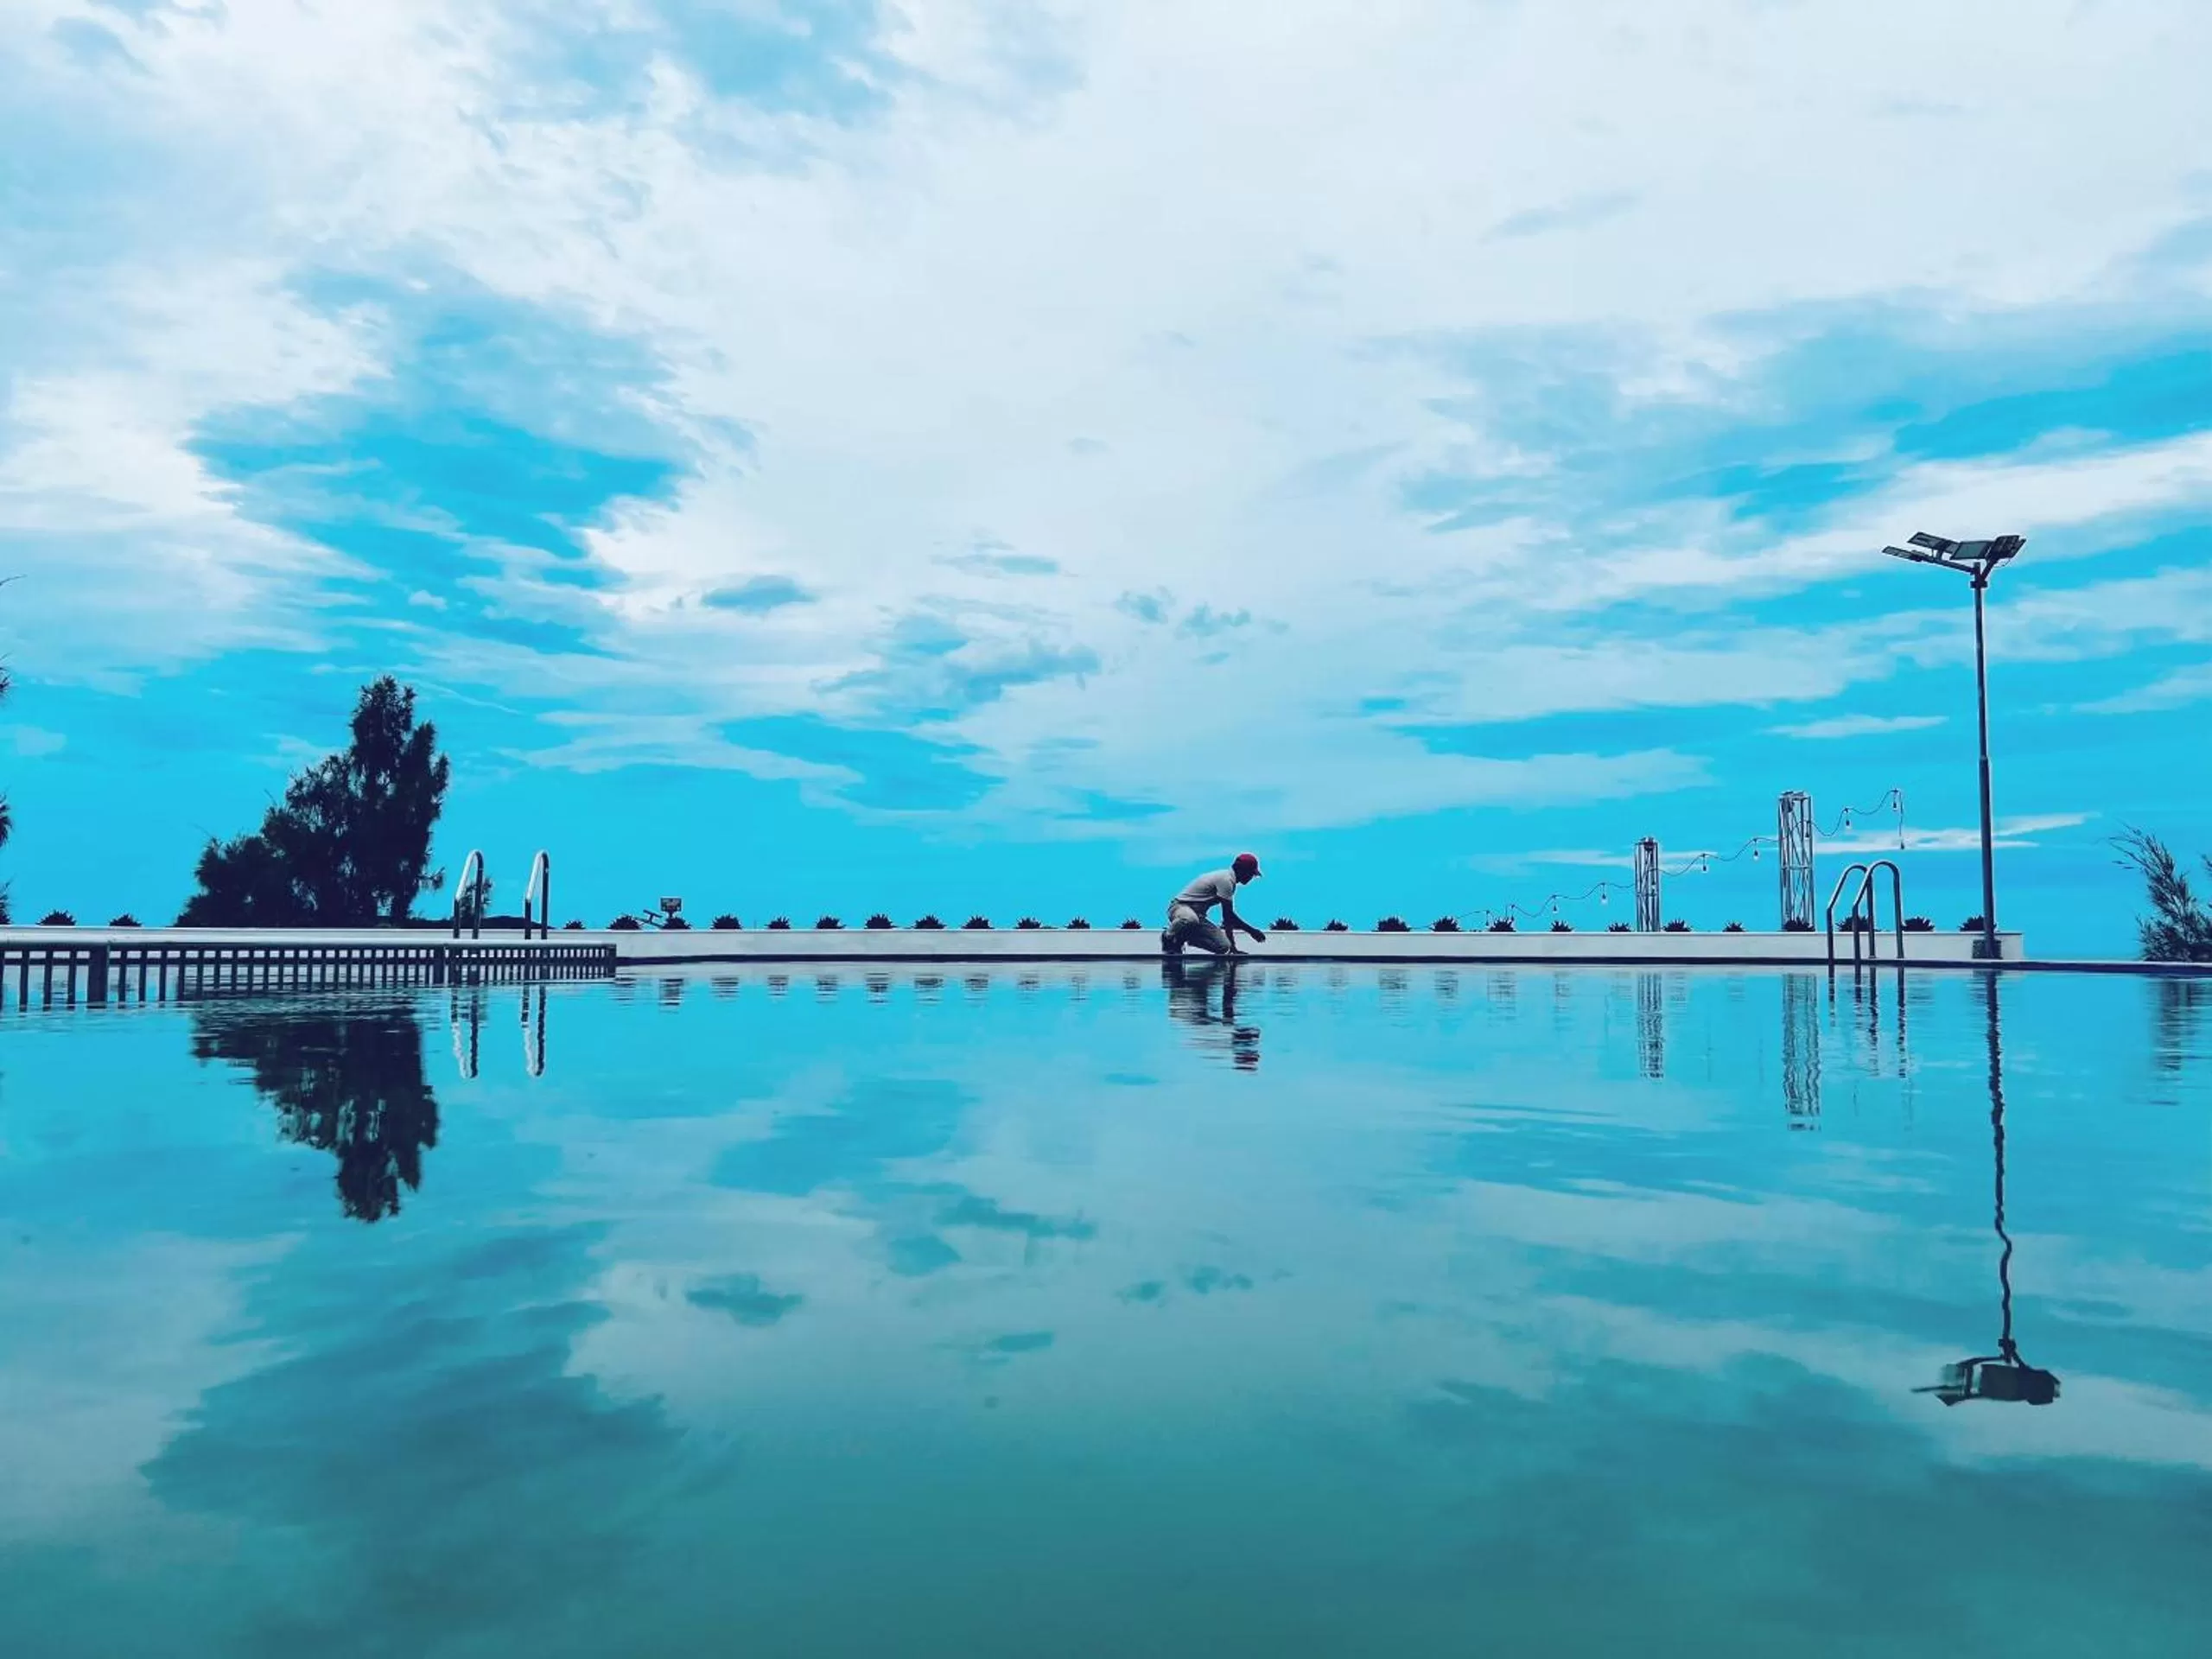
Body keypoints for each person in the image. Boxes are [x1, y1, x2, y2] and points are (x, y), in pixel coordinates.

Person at [1161, 853, 1265, 957]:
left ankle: (1182, 938)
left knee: (1223, 947)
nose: (1251, 877)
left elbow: (1228, 919)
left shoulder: (1230, 882)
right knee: (1189, 919)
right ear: (1242, 870)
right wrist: (1252, 931)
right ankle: (1168, 936)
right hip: (1180, 907)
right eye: (1251, 873)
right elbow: (1228, 916)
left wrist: (1232, 947)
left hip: (1198, 916)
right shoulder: (1226, 880)